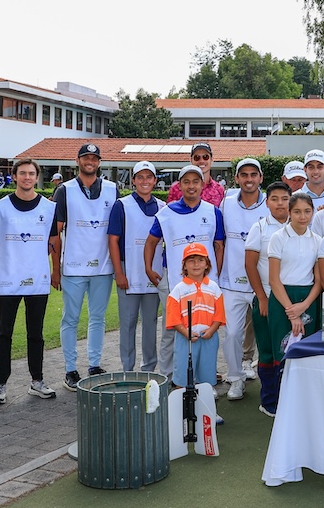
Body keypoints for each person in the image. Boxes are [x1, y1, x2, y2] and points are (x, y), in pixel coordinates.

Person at [146, 165, 226, 379]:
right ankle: (169, 374)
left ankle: (205, 373)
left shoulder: (213, 211)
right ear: (179, 185)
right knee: (172, 328)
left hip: (206, 283)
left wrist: (216, 273)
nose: (191, 186)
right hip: (176, 282)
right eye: (186, 182)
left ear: (202, 184)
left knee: (206, 327)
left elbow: (218, 245)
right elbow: (151, 242)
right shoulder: (165, 213)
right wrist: (148, 268)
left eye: (195, 181)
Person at [0, 157, 58, 401]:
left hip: (37, 280)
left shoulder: (49, 208)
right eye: (22, 173)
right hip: (8, 281)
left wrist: (33, 261)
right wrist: (12, 261)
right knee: (3, 333)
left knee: (35, 333)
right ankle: (0, 385)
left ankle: (37, 381)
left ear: (37, 177)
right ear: (15, 176)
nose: (27, 177)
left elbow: (52, 242)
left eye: (31, 173)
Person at [52, 143, 118, 388]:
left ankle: (94, 364)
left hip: (103, 267)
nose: (90, 161)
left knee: (98, 318)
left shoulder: (112, 188)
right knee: (71, 318)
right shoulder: (64, 190)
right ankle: (70, 369)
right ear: (77, 161)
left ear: (99, 162)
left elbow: (117, 230)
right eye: (85, 157)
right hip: (73, 266)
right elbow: (56, 233)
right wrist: (56, 268)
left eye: (94, 158)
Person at [261, 193, 323, 416]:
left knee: (305, 350)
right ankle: (279, 402)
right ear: (289, 212)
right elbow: (273, 279)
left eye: (307, 211)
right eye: (297, 211)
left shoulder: (317, 240)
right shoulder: (278, 237)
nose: (302, 216)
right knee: (282, 350)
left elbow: (318, 281)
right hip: (282, 299)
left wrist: (305, 305)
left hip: (307, 299)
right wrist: (292, 313)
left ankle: (303, 403)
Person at [108, 161, 166, 374]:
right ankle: (128, 369)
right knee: (128, 323)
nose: (144, 181)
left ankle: (149, 368)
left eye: (149, 177)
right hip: (128, 271)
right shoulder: (121, 205)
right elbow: (113, 240)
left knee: (150, 323)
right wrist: (119, 272)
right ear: (133, 181)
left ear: (155, 181)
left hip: (154, 273)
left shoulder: (162, 207)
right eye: (140, 177)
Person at [218, 158, 267, 401]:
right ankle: (235, 379)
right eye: (244, 175)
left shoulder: (271, 203)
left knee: (267, 333)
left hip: (263, 282)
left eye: (253, 175)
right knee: (233, 334)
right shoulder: (225, 203)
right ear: (237, 178)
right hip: (231, 281)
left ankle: (270, 380)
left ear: (260, 178)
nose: (249, 179)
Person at [245, 182, 291, 416]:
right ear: (267, 202)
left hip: (292, 302)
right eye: (275, 199)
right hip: (266, 299)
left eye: (285, 198)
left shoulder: (299, 226)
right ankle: (269, 400)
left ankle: (289, 399)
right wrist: (262, 298)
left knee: (289, 352)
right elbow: (250, 265)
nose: (280, 203)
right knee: (268, 353)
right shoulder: (260, 228)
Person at [167, 243, 227, 390]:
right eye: (191, 260)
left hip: (209, 336)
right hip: (185, 337)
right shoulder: (179, 289)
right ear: (184, 266)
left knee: (207, 369)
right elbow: (173, 317)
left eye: (200, 260)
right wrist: (185, 332)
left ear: (207, 264)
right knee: (182, 371)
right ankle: (182, 395)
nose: (196, 264)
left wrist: (212, 330)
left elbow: (219, 314)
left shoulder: (213, 287)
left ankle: (205, 392)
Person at [302, 149, 324, 236]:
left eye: (319, 167)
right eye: (311, 167)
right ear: (305, 169)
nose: (315, 172)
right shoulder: (295, 197)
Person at [190, 142, 226, 207]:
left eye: (205, 157)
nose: (201, 161)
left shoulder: (219, 190)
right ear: (191, 160)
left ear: (212, 160)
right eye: (197, 157)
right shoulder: (178, 189)